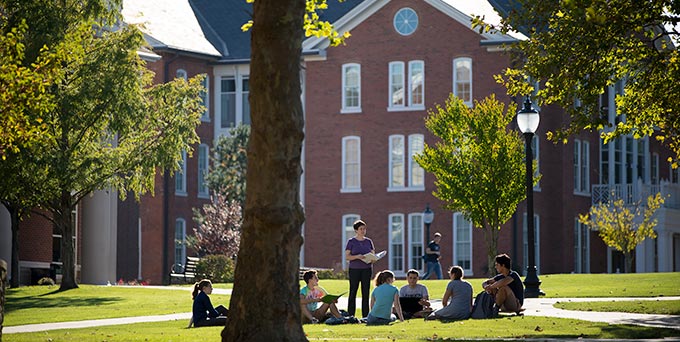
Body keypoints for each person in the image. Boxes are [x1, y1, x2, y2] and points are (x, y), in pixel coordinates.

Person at [345, 219, 375, 318]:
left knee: (365, 292)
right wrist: (357, 257)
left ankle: (365, 316)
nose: (363, 231)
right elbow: (347, 257)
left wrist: (373, 259)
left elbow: (373, 255)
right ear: (356, 230)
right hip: (354, 269)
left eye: (364, 229)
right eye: (361, 229)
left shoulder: (368, 241)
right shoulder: (351, 242)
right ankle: (350, 315)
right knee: (353, 291)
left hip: (367, 269)